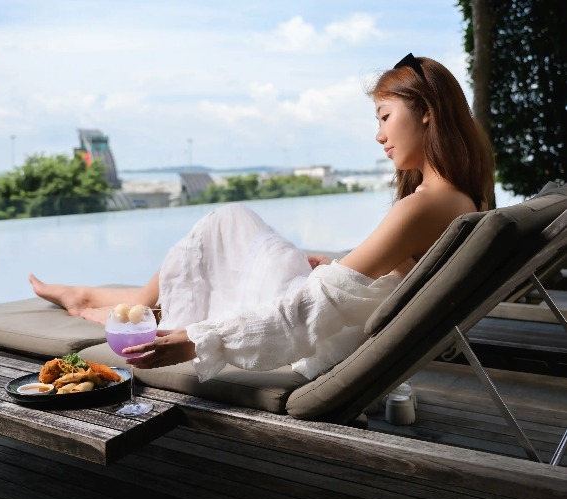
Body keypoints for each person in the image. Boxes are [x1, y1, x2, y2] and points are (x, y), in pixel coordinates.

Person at [30, 54, 494, 382]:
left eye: (384, 116)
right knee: (230, 231)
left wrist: (196, 341)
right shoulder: (462, 200)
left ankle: (108, 301)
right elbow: (413, 283)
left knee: (226, 222)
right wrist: (342, 271)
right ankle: (117, 300)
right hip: (330, 313)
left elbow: (302, 315)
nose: (379, 136)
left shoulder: (422, 203)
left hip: (313, 332)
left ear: (428, 113)